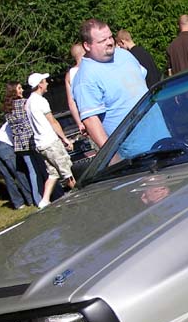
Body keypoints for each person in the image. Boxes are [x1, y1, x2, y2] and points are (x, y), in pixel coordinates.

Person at [73, 18, 169, 161]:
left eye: (110, 37)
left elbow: (142, 84)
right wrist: (112, 157)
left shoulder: (125, 55)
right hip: (136, 154)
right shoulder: (85, 78)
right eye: (102, 40)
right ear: (87, 46)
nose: (110, 42)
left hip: (163, 137)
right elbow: (91, 121)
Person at [25, 72, 76, 208]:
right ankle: (80, 194)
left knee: (53, 173)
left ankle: (44, 200)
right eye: (45, 81)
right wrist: (65, 139)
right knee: (67, 172)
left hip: (41, 144)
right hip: (51, 142)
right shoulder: (41, 101)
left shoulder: (28, 102)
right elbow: (53, 121)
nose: (47, 83)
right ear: (40, 85)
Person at [2, 81, 43, 206]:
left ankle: (37, 198)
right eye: (19, 88)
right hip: (30, 139)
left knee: (32, 170)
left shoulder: (7, 108)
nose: (22, 90)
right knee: (39, 169)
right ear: (13, 90)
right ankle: (41, 196)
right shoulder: (24, 103)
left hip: (19, 143)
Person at [0, 121, 33, 209]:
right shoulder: (18, 121)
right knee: (19, 172)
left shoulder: (8, 122)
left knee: (8, 177)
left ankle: (18, 203)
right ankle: (30, 199)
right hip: (4, 145)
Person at [65, 43, 87, 135]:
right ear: (84, 51)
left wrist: (79, 123)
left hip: (85, 115)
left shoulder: (69, 75)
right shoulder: (93, 66)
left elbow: (71, 103)